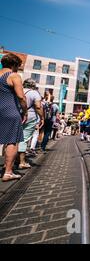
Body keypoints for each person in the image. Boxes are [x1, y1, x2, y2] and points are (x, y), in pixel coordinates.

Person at [0, 53, 27, 182]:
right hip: (10, 111)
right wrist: (25, 111)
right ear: (14, 65)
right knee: (12, 140)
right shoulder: (13, 76)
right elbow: (21, 97)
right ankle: (8, 172)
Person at [17, 78, 44, 169]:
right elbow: (38, 106)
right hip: (30, 117)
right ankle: (22, 162)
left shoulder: (18, 90)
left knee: (13, 138)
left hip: (16, 115)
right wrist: (42, 117)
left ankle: (9, 161)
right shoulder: (34, 93)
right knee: (24, 139)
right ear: (33, 85)